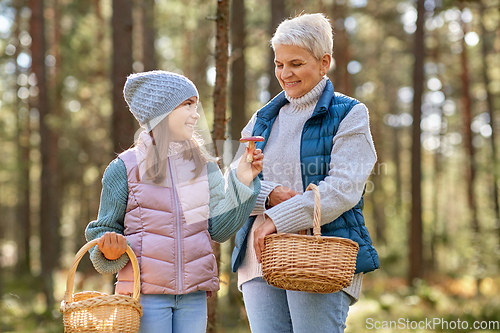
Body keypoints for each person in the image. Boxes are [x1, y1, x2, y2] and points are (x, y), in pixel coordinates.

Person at [231, 13, 379, 333]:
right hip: (258, 262)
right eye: (279, 64)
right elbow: (232, 185)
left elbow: (342, 189)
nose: (285, 74)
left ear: (324, 62)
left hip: (320, 257)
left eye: (296, 63)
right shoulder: (262, 119)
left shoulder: (349, 114)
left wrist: (276, 217)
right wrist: (271, 194)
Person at [85, 70, 263, 333]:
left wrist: (243, 181)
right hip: (144, 294)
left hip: (193, 296)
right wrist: (107, 252)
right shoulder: (124, 168)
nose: (195, 114)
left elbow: (219, 229)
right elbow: (102, 231)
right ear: (162, 111)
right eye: (187, 105)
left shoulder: (203, 166)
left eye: (196, 105)